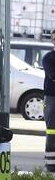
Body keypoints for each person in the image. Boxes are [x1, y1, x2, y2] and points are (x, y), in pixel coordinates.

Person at [42, 32, 55, 162]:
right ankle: (51, 163)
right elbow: (53, 75)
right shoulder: (48, 58)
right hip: (52, 98)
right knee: (52, 131)